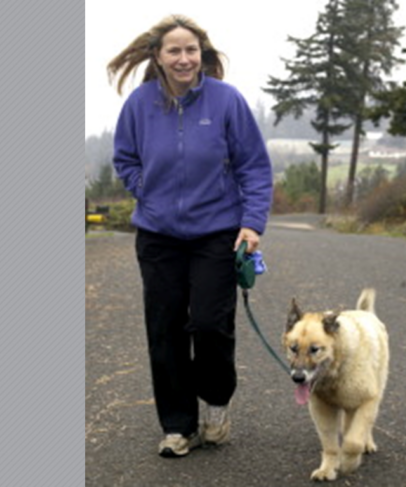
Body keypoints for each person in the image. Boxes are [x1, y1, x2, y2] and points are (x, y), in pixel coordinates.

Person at [107, 14, 273, 458]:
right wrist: (148, 191)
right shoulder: (140, 104)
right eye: (174, 51)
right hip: (158, 236)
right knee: (165, 329)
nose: (184, 58)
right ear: (158, 58)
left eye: (192, 50)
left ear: (203, 54)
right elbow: (124, 159)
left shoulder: (226, 101)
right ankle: (178, 426)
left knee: (208, 323)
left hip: (217, 233)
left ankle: (215, 404)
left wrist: (252, 223)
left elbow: (253, 167)